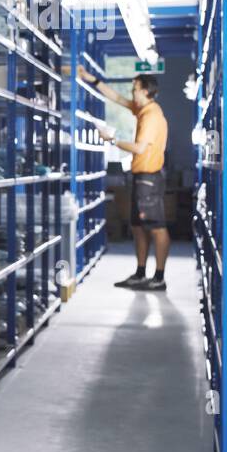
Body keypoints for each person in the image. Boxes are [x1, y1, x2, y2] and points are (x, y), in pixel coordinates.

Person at [77, 69, 170, 291]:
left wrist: (113, 140)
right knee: (138, 227)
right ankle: (140, 274)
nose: (132, 93)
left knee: (156, 227)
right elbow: (117, 99)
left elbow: (138, 148)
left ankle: (158, 278)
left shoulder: (151, 115)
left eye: (135, 89)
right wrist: (94, 80)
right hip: (140, 177)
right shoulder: (142, 109)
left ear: (146, 91)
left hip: (149, 178)